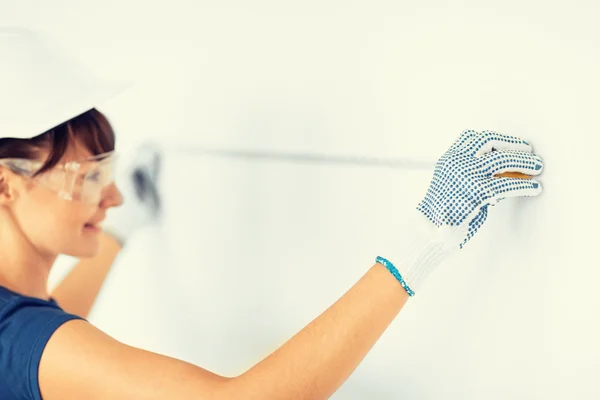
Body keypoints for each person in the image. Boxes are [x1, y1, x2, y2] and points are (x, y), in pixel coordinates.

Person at [0, 27, 544, 400]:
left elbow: (54, 318)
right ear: (6, 185)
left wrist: (118, 229)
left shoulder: (18, 324)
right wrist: (426, 236)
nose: (112, 195)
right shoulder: (24, 341)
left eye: (108, 172)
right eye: (89, 176)